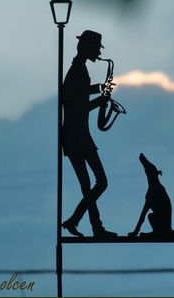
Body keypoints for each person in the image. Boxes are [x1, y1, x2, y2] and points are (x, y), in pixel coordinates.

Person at [61, 30, 118, 239]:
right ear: (87, 48)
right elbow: (75, 105)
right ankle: (92, 226)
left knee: (89, 185)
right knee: (100, 182)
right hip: (78, 137)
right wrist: (100, 101)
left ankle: (83, 224)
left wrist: (99, 88)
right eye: (96, 48)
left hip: (75, 136)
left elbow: (75, 93)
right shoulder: (78, 70)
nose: (98, 53)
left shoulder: (78, 69)